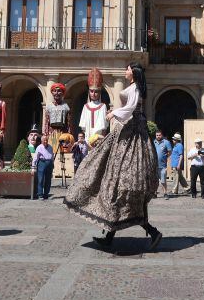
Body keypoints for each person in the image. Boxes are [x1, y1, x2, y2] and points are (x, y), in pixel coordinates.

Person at [64, 62, 161, 250]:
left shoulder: (135, 89)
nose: (125, 71)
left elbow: (131, 107)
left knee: (116, 183)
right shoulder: (133, 87)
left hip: (131, 132)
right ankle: (111, 237)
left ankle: (149, 232)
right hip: (127, 129)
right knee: (109, 175)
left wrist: (114, 113)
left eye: (128, 69)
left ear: (134, 72)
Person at [79, 68, 108, 145]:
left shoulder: (103, 106)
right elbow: (83, 125)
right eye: (91, 91)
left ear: (99, 93)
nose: (94, 94)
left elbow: (104, 125)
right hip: (88, 137)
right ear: (89, 92)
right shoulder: (86, 106)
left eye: (96, 92)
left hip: (99, 138)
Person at [44, 83, 73, 154]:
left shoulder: (66, 107)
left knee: (62, 152)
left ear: (62, 93)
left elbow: (69, 123)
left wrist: (68, 135)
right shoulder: (49, 106)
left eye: (59, 91)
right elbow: (46, 122)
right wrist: (45, 134)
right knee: (51, 151)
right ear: (52, 92)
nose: (57, 93)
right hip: (52, 133)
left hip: (62, 132)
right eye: (54, 91)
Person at [32, 135, 54, 200]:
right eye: (44, 140)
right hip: (42, 162)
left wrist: (52, 164)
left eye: (46, 140)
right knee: (40, 179)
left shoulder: (50, 147)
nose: (45, 141)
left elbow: (52, 156)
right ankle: (40, 194)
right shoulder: (39, 147)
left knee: (48, 180)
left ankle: (46, 194)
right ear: (41, 141)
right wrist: (33, 167)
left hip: (49, 163)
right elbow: (35, 158)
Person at [153, 130, 172, 199]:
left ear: (162, 135)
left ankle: (165, 193)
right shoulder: (153, 142)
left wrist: (165, 156)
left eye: (159, 135)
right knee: (154, 181)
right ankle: (154, 193)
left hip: (163, 166)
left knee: (163, 180)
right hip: (154, 166)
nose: (158, 136)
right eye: (157, 135)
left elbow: (170, 151)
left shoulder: (166, 142)